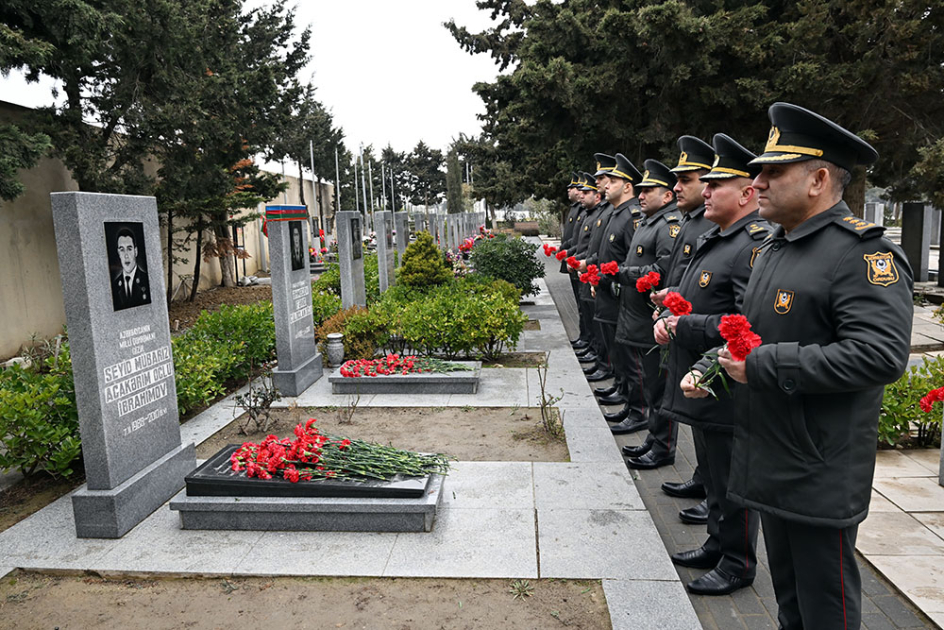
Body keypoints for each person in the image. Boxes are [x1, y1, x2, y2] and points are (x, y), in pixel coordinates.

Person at [684, 102, 913, 628]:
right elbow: (747, 331)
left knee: (823, 605)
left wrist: (762, 365)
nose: (757, 182)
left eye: (772, 171)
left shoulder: (860, 255)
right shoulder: (774, 248)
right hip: (771, 453)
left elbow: (878, 355)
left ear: (819, 179)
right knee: (789, 601)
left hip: (817, 464)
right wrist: (711, 365)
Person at [656, 133, 767, 595]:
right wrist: (672, 312)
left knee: (731, 478)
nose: (705, 190)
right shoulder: (717, 237)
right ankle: (717, 543)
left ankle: (738, 561)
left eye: (716, 184)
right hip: (703, 382)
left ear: (744, 194)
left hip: (727, 385)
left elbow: (744, 322)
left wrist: (687, 324)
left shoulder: (751, 244)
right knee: (714, 475)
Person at [631, 135, 716, 476]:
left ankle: (694, 471)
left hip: (700, 332)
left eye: (685, 180)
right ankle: (700, 476)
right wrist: (667, 304)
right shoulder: (691, 221)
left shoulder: (708, 224)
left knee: (698, 408)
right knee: (670, 391)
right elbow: (681, 275)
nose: (678, 187)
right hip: (677, 323)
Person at [611, 160, 680, 440]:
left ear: (667, 195)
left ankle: (660, 443)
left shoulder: (668, 225)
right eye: (640, 190)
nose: (640, 195)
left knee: (655, 384)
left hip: (648, 316)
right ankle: (647, 429)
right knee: (641, 377)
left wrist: (623, 274)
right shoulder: (646, 221)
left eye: (648, 190)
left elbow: (663, 270)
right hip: (635, 314)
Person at [591, 154, 643, 416]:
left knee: (627, 355)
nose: (606, 184)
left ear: (628, 186)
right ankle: (623, 390)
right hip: (607, 291)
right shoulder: (616, 213)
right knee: (619, 350)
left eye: (613, 180)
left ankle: (631, 400)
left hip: (620, 295)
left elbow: (631, 259)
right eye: (606, 180)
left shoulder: (632, 216)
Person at [111, 226, 150, 311]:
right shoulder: (115, 285)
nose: (126, 255)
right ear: (118, 253)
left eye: (129, 249)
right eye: (122, 250)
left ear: (135, 251)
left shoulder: (146, 280)